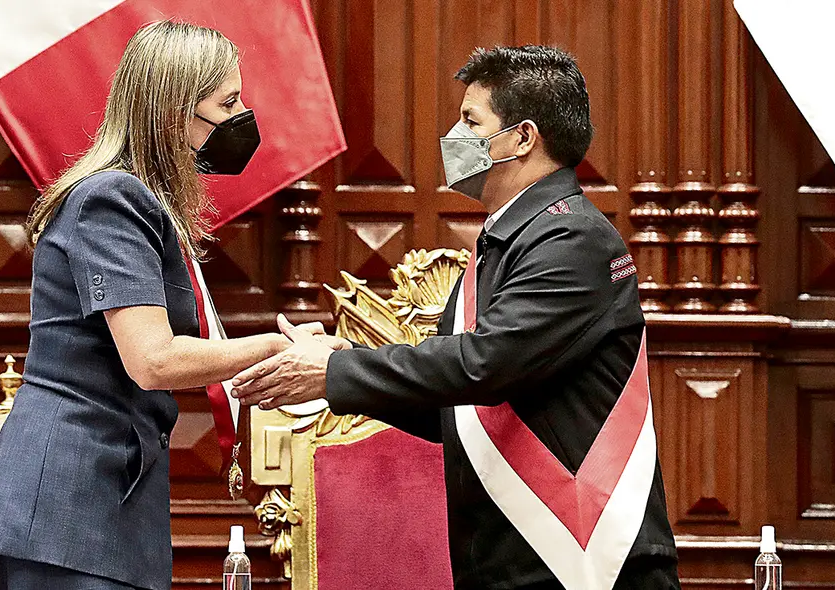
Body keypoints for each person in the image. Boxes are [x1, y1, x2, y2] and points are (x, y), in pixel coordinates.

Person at [232, 46, 680, 590]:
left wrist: (333, 373)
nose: (453, 136)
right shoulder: (509, 240)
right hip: (511, 559)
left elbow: (484, 364)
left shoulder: (571, 238)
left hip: (583, 561)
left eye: (471, 121)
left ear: (522, 138)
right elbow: (457, 408)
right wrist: (343, 364)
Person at [0, 21, 319, 590]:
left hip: (104, 497)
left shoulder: (141, 199)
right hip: (69, 503)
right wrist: (278, 347)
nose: (242, 117)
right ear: (174, 112)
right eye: (228, 103)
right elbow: (153, 360)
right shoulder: (111, 197)